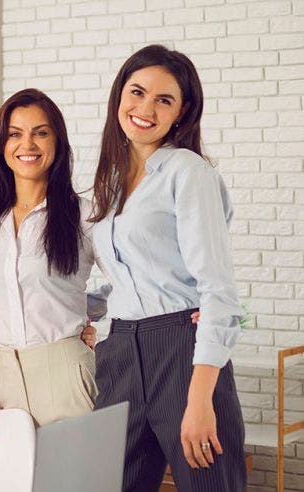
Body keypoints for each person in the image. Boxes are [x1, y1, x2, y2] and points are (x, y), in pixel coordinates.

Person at [90, 44, 245, 490]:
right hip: (119, 351)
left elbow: (218, 290)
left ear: (182, 112)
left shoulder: (188, 172)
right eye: (137, 92)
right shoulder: (111, 183)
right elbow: (123, 279)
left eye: (164, 100)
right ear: (119, 95)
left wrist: (199, 400)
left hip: (180, 350)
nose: (144, 109)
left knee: (208, 484)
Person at [0, 89, 104, 451]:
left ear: (57, 143)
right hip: (3, 383)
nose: (27, 144)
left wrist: (93, 319)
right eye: (15, 134)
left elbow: (129, 286)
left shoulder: (86, 216)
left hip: (68, 380)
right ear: (1, 145)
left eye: (41, 133)